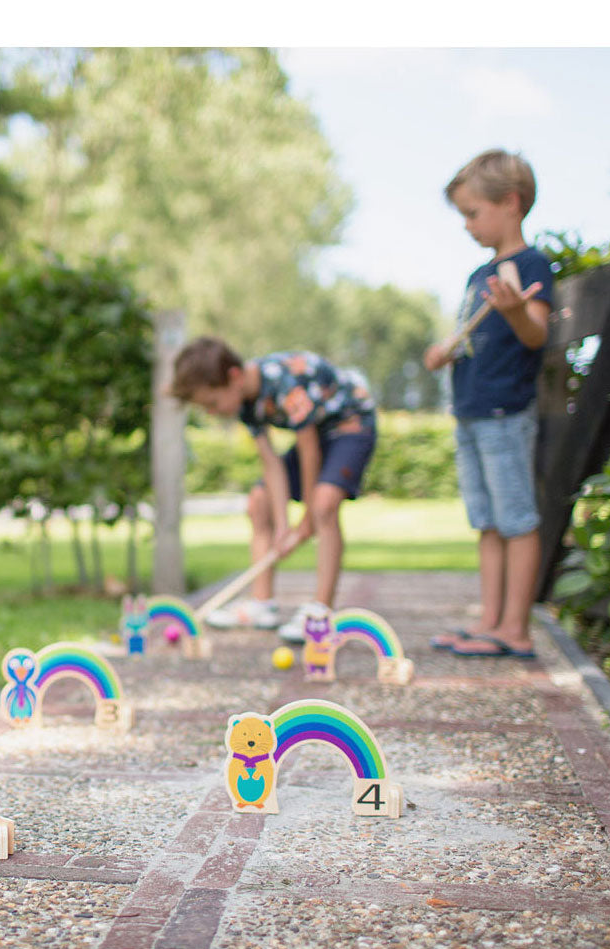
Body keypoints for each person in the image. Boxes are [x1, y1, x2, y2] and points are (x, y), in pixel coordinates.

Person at [423, 149, 554, 658]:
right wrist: (445, 352)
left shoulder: (529, 265)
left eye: (473, 213)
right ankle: (491, 622)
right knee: (487, 521)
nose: (467, 225)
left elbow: (534, 334)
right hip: (471, 412)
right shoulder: (479, 276)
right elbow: (468, 339)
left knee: (516, 520)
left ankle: (515, 630)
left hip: (504, 414)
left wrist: (517, 311)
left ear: (511, 204)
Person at [169, 337, 377, 642]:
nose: (212, 413)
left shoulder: (286, 382)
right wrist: (282, 526)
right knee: (258, 502)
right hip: (318, 434)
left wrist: (306, 519)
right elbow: (272, 464)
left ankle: (320, 613)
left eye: (212, 403)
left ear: (234, 377)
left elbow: (309, 452)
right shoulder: (245, 403)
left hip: (351, 425)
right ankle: (262, 604)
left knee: (323, 505)